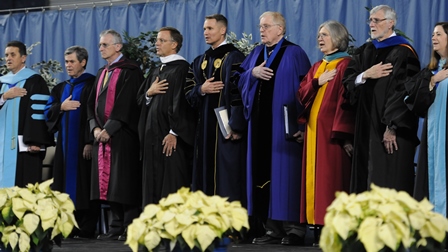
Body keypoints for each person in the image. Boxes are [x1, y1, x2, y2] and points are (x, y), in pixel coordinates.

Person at [235, 11, 311, 245]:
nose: (261, 30)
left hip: (283, 128)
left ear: (280, 29)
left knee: (286, 176)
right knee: (262, 175)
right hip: (258, 126)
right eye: (260, 26)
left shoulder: (295, 52)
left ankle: (294, 230)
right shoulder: (257, 53)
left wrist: (303, 124)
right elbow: (238, 79)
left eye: (266, 26)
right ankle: (272, 229)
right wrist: (252, 73)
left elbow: (306, 91)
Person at [343, 5, 421, 194]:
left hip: (387, 131)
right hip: (365, 129)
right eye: (370, 20)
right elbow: (348, 81)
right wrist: (365, 74)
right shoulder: (366, 50)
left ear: (391, 23)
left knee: (386, 178)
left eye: (376, 20)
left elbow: (405, 92)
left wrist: (392, 127)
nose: (372, 24)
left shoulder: (404, 52)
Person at [297, 20, 354, 244]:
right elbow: (301, 94)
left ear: (338, 38)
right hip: (313, 134)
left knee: (331, 180)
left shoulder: (345, 65)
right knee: (316, 180)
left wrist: (344, 135)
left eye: (325, 35)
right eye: (319, 35)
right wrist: (316, 82)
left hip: (333, 135)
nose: (320, 39)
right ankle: (317, 226)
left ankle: (333, 229)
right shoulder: (318, 66)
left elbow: (346, 101)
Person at [87, 29, 144, 241]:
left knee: (124, 182)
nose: (100, 48)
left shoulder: (131, 71)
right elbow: (90, 104)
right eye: (100, 45)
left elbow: (126, 103)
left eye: (105, 45)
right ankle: (115, 226)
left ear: (118, 47)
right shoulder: (102, 72)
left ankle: (129, 226)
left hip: (123, 136)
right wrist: (94, 128)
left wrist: (108, 129)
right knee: (108, 184)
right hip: (101, 136)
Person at [185, 14, 247, 204]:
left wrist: (236, 126)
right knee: (204, 177)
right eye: (204, 29)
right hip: (204, 132)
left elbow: (239, 93)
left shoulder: (234, 57)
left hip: (225, 131)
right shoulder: (199, 60)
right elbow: (188, 92)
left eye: (210, 28)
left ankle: (230, 229)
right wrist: (200, 89)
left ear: (222, 30)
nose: (206, 32)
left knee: (227, 177)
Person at [44, 46, 99, 238]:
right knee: (63, 184)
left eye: (72, 61)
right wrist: (61, 107)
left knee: (85, 184)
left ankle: (86, 227)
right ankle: (67, 227)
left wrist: (89, 141)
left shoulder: (92, 84)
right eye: (66, 62)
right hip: (65, 148)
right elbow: (47, 112)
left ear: (83, 62)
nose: (68, 65)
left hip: (84, 146)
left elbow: (96, 114)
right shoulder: (61, 88)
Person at [138, 27, 196, 206]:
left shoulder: (182, 69)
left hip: (170, 138)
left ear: (174, 44)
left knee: (171, 183)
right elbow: (140, 100)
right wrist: (149, 92)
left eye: (162, 40)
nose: (157, 43)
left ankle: (172, 230)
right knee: (152, 184)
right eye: (157, 40)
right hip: (152, 138)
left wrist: (174, 132)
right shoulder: (157, 70)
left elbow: (185, 104)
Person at [404, 22, 448, 217]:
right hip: (432, 135)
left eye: (438, 34)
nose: (433, 38)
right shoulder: (429, 72)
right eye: (432, 34)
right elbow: (412, 101)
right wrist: (432, 81)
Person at [0, 40, 54, 188]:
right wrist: (5, 96)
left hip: (24, 146)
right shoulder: (2, 82)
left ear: (23, 57)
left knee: (24, 186)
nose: (8, 58)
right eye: (6, 55)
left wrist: (35, 140)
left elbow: (39, 112)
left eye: (13, 54)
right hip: (1, 146)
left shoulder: (35, 81)